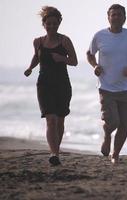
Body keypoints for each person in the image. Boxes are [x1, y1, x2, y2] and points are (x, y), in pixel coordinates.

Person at [87, 4, 127, 164]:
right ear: (108, 17)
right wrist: (95, 66)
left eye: (119, 15)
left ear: (124, 18)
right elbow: (89, 54)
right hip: (106, 87)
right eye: (113, 15)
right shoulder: (99, 36)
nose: (116, 17)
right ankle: (107, 135)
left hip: (126, 88)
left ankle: (115, 154)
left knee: (125, 123)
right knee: (113, 121)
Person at [24, 6, 78, 166]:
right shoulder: (38, 42)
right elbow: (36, 57)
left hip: (62, 84)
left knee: (60, 121)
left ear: (59, 23)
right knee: (51, 120)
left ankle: (56, 150)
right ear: (44, 24)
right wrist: (30, 68)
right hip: (44, 85)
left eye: (55, 23)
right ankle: (54, 153)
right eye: (49, 24)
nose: (52, 26)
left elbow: (74, 61)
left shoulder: (65, 40)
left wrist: (61, 58)